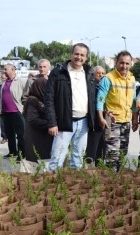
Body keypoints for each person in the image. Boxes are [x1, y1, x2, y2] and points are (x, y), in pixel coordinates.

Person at [45, 43, 95, 171]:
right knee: (57, 159)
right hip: (64, 122)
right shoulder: (58, 72)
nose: (79, 57)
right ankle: (52, 188)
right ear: (71, 54)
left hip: (83, 122)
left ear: (86, 57)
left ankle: (73, 187)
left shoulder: (89, 73)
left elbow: (93, 97)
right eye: (76, 54)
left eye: (82, 55)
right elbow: (49, 98)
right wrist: (52, 122)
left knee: (78, 160)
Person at [97, 50, 137, 171]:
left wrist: (135, 118)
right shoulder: (108, 78)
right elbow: (100, 100)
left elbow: (133, 101)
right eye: (121, 63)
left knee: (122, 153)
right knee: (112, 153)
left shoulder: (132, 79)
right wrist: (101, 118)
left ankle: (118, 179)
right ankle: (110, 180)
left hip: (126, 121)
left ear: (130, 64)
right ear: (116, 62)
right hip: (112, 121)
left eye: (127, 63)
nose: (124, 66)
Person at [0, 64, 28, 161]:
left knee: (21, 135)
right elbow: (2, 98)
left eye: (6, 69)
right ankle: (12, 152)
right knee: (10, 134)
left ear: (13, 70)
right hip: (6, 112)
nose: (4, 70)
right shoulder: (4, 82)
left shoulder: (21, 81)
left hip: (17, 112)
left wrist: (24, 106)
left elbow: (26, 94)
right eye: (4, 69)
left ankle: (22, 154)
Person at [24, 77, 53, 162]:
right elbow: (33, 119)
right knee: (39, 163)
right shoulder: (33, 101)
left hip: (40, 136)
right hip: (37, 138)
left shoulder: (41, 99)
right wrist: (51, 124)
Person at [85, 66, 106, 165]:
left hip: (105, 119)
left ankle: (99, 165)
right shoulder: (90, 86)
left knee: (102, 146)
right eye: (98, 73)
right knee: (92, 146)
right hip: (93, 121)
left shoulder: (106, 87)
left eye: (103, 73)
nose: (101, 75)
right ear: (93, 74)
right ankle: (89, 165)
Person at [0, 72, 8, 144]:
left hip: (10, 108)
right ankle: (4, 137)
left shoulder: (10, 86)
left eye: (4, 78)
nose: (2, 79)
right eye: (1, 78)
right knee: (2, 124)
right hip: (2, 108)